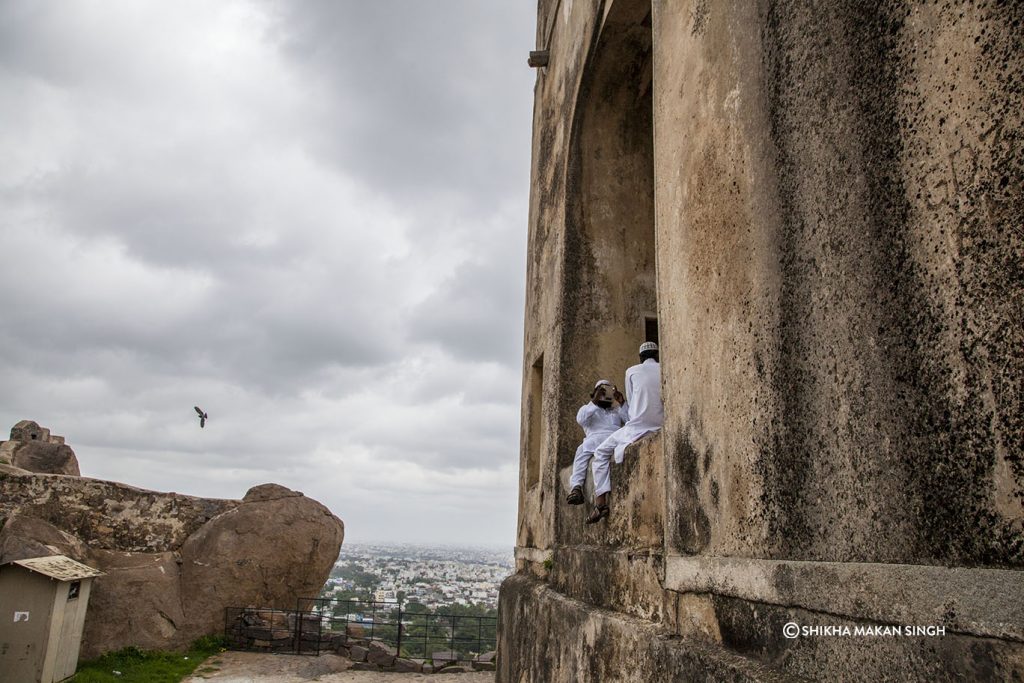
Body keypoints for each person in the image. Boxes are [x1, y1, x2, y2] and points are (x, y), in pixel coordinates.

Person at [586, 341, 664, 524]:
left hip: (637, 426)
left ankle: (601, 503)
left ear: (640, 358)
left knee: (600, 453)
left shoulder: (631, 371)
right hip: (660, 423)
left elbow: (633, 412)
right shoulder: (664, 368)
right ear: (657, 356)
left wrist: (623, 403)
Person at [566, 380, 628, 505]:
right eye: (602, 391)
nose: (605, 394)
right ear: (595, 393)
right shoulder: (587, 409)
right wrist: (595, 400)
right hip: (593, 442)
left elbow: (630, 420)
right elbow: (581, 419)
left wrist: (622, 402)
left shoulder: (616, 411)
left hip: (615, 438)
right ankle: (576, 488)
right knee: (581, 452)